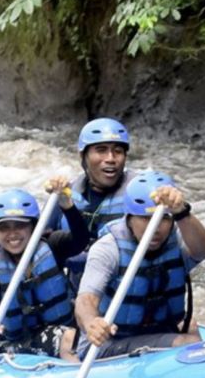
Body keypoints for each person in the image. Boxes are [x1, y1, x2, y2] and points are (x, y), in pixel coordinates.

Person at [74, 171, 205, 359]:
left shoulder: (177, 239)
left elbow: (203, 251)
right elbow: (86, 301)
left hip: (154, 330)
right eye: (145, 219)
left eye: (164, 219)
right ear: (129, 218)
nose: (154, 228)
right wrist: (92, 324)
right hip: (108, 343)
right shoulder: (108, 249)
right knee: (189, 343)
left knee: (191, 326)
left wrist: (182, 212)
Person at [0, 177, 91, 361]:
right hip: (17, 341)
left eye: (19, 225)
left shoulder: (51, 244)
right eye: (4, 228)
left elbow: (81, 239)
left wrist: (67, 205)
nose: (12, 234)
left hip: (65, 327)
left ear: (33, 227)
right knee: (66, 337)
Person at [46, 117, 137, 288]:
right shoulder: (66, 194)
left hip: (124, 295)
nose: (110, 158)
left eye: (118, 151)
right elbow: (37, 248)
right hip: (77, 292)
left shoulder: (139, 195)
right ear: (83, 156)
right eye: (101, 150)